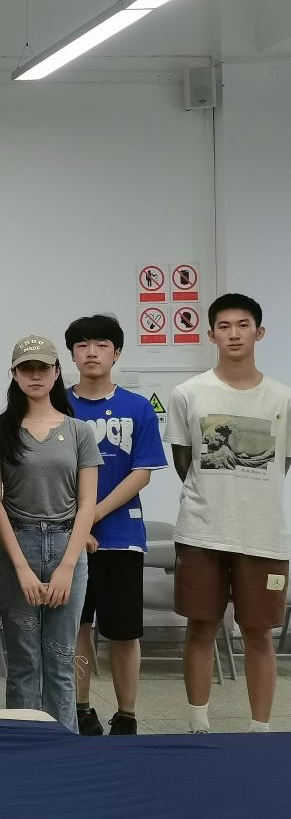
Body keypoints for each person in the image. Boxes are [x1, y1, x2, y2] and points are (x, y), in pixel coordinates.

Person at [165, 293, 291, 734]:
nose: (234, 334)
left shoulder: (283, 398)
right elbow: (185, 462)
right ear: (211, 334)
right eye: (224, 326)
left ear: (259, 332)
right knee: (201, 627)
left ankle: (260, 730)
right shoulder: (188, 394)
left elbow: (282, 464)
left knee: (259, 633)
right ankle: (198, 724)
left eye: (243, 325)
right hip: (202, 531)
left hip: (263, 536)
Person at [0, 336, 102, 732]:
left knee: (61, 659)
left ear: (56, 372)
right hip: (17, 545)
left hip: (68, 546)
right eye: (26, 368)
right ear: (14, 375)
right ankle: (22, 747)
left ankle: (63, 746)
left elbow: (87, 502)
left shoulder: (79, 431)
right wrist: (20, 567)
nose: (35, 375)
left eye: (42, 368)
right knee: (23, 661)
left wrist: (68, 566)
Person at [65, 315, 167, 736]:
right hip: (67, 540)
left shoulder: (138, 407)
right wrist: (77, 523)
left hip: (121, 537)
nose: (92, 352)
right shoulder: (57, 407)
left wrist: (92, 514)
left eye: (102, 344)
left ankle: (126, 714)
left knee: (124, 632)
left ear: (117, 353)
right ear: (72, 355)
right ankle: (80, 708)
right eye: (82, 345)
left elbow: (142, 473)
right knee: (76, 628)